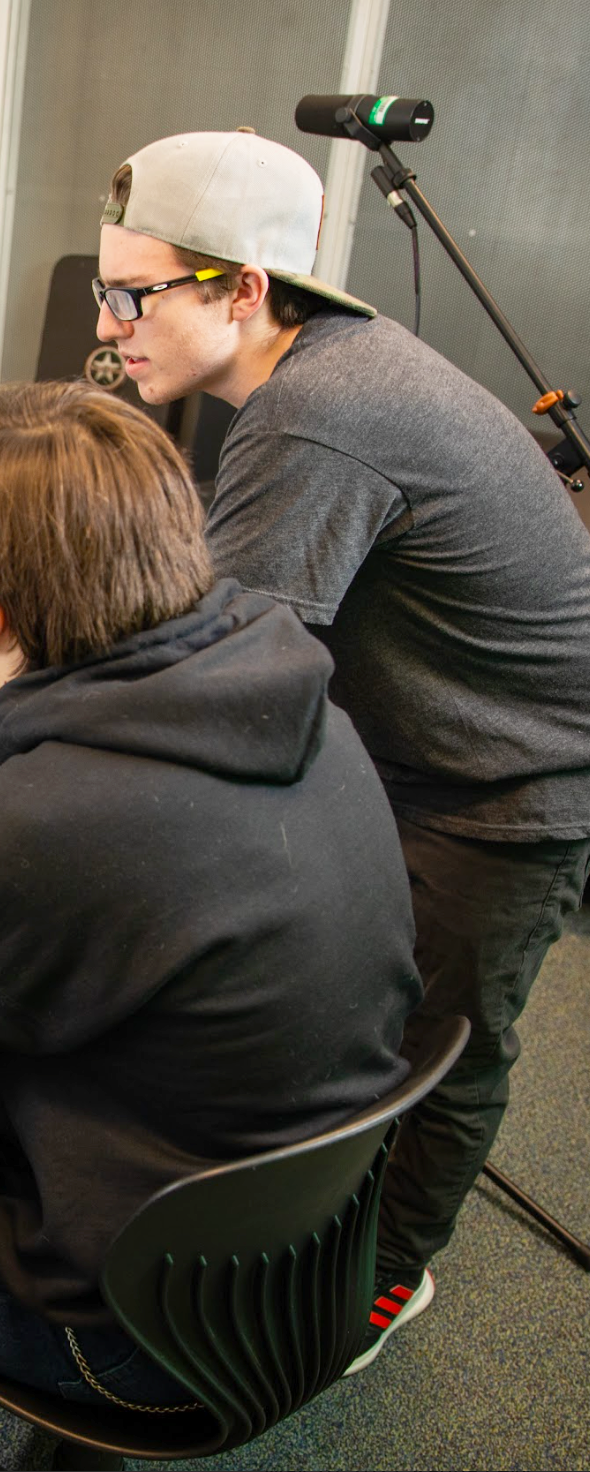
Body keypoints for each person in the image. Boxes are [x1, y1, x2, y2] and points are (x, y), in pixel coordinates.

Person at [0, 380, 420, 1407]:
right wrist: (11, 795)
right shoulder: (288, 689)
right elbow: (153, 852)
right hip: (288, 1273)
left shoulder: (44, 830)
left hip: (140, 1334)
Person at [94, 129, 590, 1368]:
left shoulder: (317, 411)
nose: (111, 325)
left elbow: (229, 672)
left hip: (511, 781)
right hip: (413, 746)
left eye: (135, 296)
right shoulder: (310, 373)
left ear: (245, 289)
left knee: (443, 1041)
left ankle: (377, 1285)